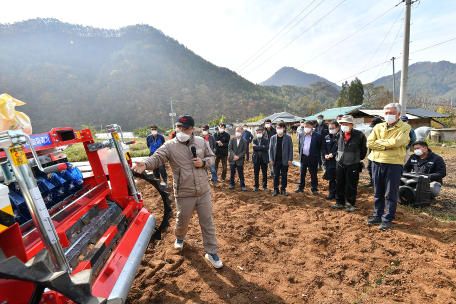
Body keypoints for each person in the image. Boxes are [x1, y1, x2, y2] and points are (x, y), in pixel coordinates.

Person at [132, 115, 223, 268]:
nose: (180, 131)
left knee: (207, 222)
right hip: (184, 192)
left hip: (203, 191)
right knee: (182, 219)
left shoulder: (201, 142)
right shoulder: (170, 146)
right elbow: (157, 158)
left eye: (184, 128)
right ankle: (180, 237)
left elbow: (212, 157)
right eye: (178, 127)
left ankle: (211, 252)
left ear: (192, 129)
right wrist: (145, 164)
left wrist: (203, 162)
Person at [366, 103, 411, 231]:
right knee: (378, 191)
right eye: (386, 113)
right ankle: (377, 215)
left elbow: (398, 142)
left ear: (398, 114)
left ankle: (387, 219)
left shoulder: (405, 127)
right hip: (376, 161)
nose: (388, 115)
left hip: (393, 163)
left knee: (390, 193)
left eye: (391, 113)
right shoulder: (378, 126)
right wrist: (387, 145)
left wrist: (379, 143)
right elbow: (369, 142)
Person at [331, 115, 367, 212]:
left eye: (346, 124)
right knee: (339, 184)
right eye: (342, 124)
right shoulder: (339, 134)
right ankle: (339, 202)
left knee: (351, 185)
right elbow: (338, 148)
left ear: (351, 125)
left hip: (352, 164)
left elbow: (363, 150)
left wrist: (356, 159)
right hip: (340, 163)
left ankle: (351, 204)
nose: (343, 125)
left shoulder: (359, 135)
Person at [294, 120, 322, 195]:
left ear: (312, 127)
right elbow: (300, 145)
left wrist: (319, 160)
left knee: (313, 174)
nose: (306, 128)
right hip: (303, 157)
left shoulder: (318, 136)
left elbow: (319, 148)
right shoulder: (301, 135)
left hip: (312, 157)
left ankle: (314, 189)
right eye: (305, 126)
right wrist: (300, 156)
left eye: (308, 126)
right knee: (302, 173)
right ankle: (300, 187)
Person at [269, 122, 293, 196]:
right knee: (276, 176)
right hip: (276, 160)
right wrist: (271, 159)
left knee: (284, 176)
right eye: (277, 128)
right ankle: (275, 190)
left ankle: (283, 189)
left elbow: (290, 149)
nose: (278, 129)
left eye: (280, 128)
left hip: (285, 160)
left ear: (284, 128)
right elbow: (270, 149)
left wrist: (290, 159)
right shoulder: (273, 138)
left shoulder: (288, 138)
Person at [321, 121, 340, 200]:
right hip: (329, 162)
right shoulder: (327, 137)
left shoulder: (341, 137)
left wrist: (334, 154)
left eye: (333, 128)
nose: (331, 130)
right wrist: (325, 154)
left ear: (338, 128)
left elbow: (342, 149)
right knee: (331, 179)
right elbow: (324, 148)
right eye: (330, 128)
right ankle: (331, 193)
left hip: (338, 162)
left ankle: (339, 195)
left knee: (339, 179)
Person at [365, 117, 384, 187]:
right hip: (371, 151)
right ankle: (372, 182)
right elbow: (369, 142)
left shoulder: (384, 133)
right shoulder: (372, 131)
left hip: (381, 153)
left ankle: (380, 184)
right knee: (369, 167)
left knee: (380, 169)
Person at [252, 128, 269, 192]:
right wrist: (262, 146)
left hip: (264, 158)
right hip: (256, 158)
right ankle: (256, 186)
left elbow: (266, 148)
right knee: (256, 173)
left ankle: (265, 186)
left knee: (264, 173)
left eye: (260, 132)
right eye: (257, 132)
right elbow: (254, 148)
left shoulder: (266, 140)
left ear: (262, 132)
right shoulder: (254, 140)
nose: (259, 134)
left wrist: (258, 147)